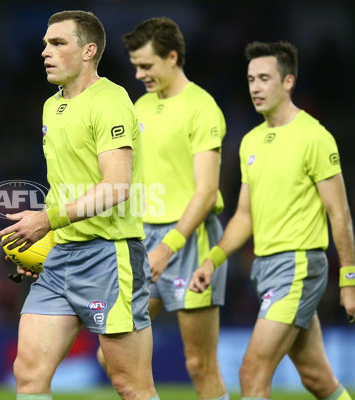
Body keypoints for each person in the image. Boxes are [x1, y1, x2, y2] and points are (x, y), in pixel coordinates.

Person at [190, 41, 355, 400]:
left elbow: (340, 213)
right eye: (251, 79)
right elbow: (244, 216)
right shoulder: (251, 142)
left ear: (288, 82)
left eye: (264, 78)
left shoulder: (314, 136)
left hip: (299, 266)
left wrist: (349, 280)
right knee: (317, 379)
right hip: (266, 268)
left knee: (252, 371)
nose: (255, 86)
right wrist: (213, 259)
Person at [0, 10, 158, 400]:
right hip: (61, 259)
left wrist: (46, 221)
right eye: (44, 44)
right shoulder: (53, 106)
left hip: (109, 256)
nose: (45, 52)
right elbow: (63, 186)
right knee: (29, 374)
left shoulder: (111, 101)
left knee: (130, 385)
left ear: (88, 51)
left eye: (57, 43)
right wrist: (41, 246)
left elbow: (116, 186)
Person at [97, 17, 229, 400]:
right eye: (135, 65)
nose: (138, 74)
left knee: (199, 364)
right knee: (115, 356)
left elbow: (206, 192)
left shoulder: (201, 107)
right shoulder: (139, 106)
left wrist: (168, 246)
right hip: (144, 236)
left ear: (172, 57)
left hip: (188, 239)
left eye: (147, 66)